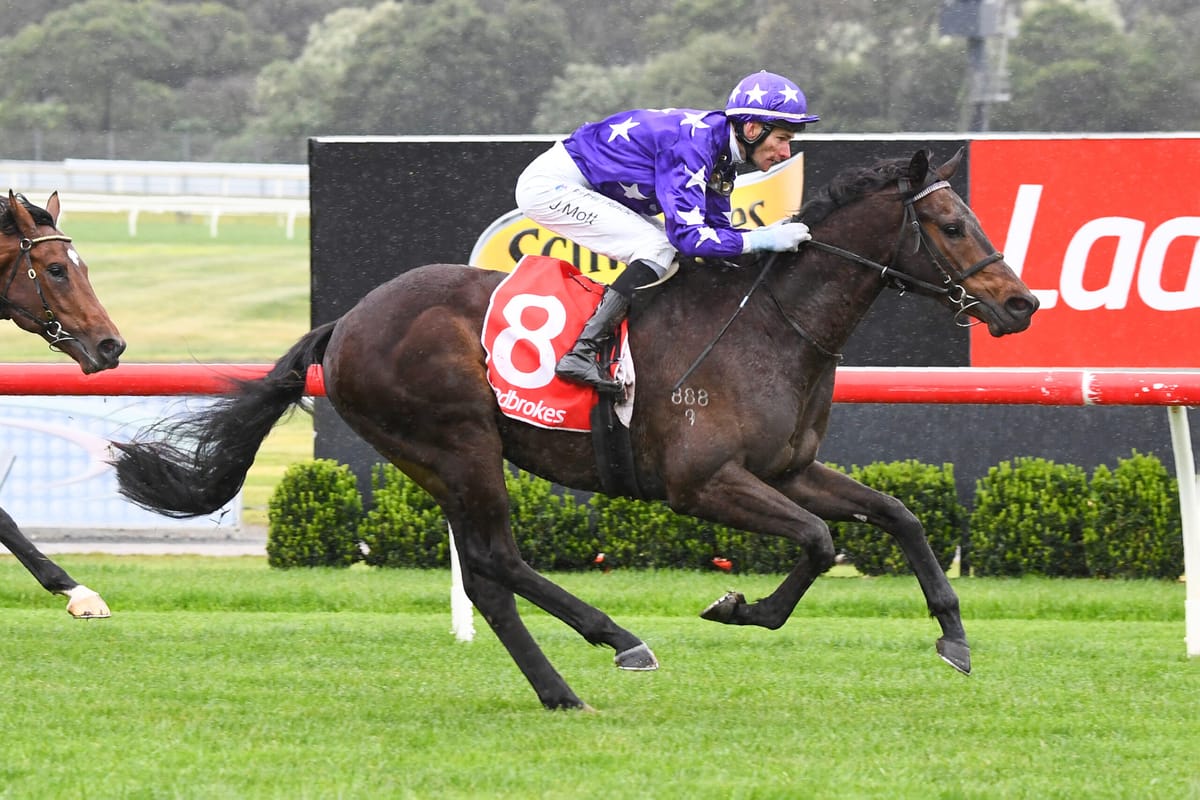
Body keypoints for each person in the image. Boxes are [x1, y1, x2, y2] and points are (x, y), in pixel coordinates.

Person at [515, 70, 819, 393]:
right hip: (551, 187)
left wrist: (763, 244)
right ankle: (582, 353)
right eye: (783, 139)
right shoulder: (694, 145)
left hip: (586, 183)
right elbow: (689, 237)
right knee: (658, 247)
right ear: (753, 128)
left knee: (668, 249)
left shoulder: (722, 151)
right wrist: (763, 238)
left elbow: (716, 234)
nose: (786, 153)